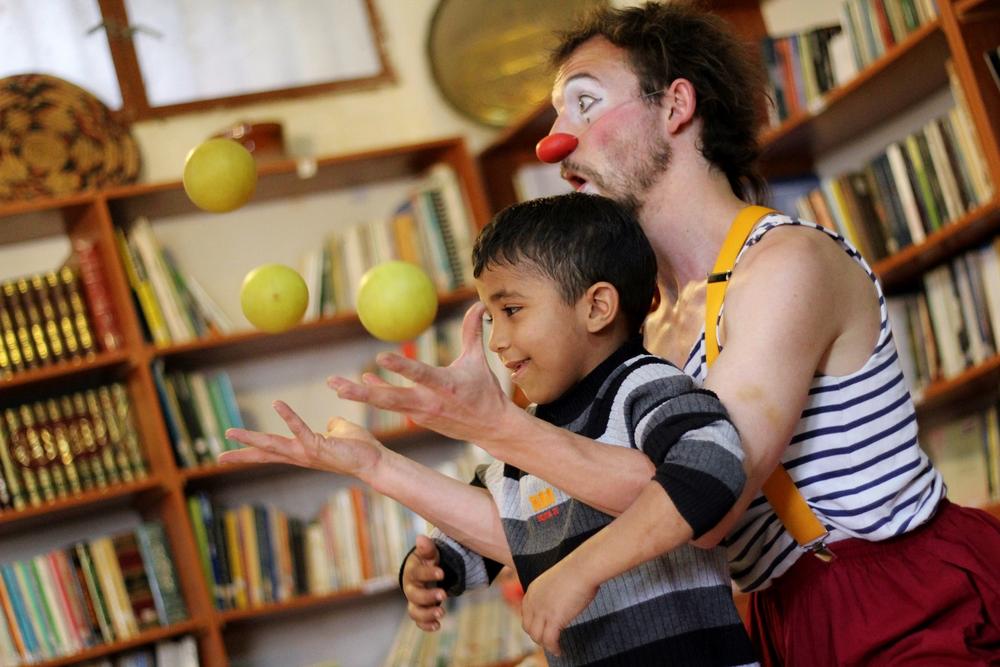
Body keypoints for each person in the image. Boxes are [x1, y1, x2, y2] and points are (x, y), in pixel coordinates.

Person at [226, 2, 1000, 665]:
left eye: (586, 104)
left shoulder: (784, 263)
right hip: (779, 614)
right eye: (557, 116)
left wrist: (498, 428)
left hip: (901, 595)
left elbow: (711, 494)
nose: (554, 143)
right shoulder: (649, 327)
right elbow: (569, 507)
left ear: (676, 107)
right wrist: (390, 469)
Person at [223, 193, 759, 666]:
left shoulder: (642, 385)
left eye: (512, 310)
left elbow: (712, 466)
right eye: (489, 318)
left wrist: (581, 571)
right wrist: (434, 565)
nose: (498, 340)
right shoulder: (534, 428)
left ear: (597, 306)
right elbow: (494, 529)